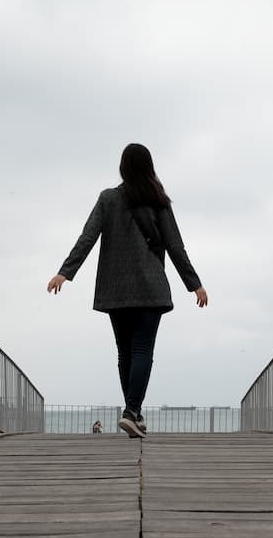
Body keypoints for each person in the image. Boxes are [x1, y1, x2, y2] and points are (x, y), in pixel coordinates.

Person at [47, 143, 208, 438]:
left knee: (125, 354)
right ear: (149, 167)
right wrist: (194, 284)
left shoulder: (108, 199)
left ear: (122, 167)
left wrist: (64, 272)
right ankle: (133, 411)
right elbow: (175, 246)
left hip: (115, 289)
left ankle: (134, 412)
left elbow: (88, 237)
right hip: (150, 287)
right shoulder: (159, 201)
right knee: (143, 349)